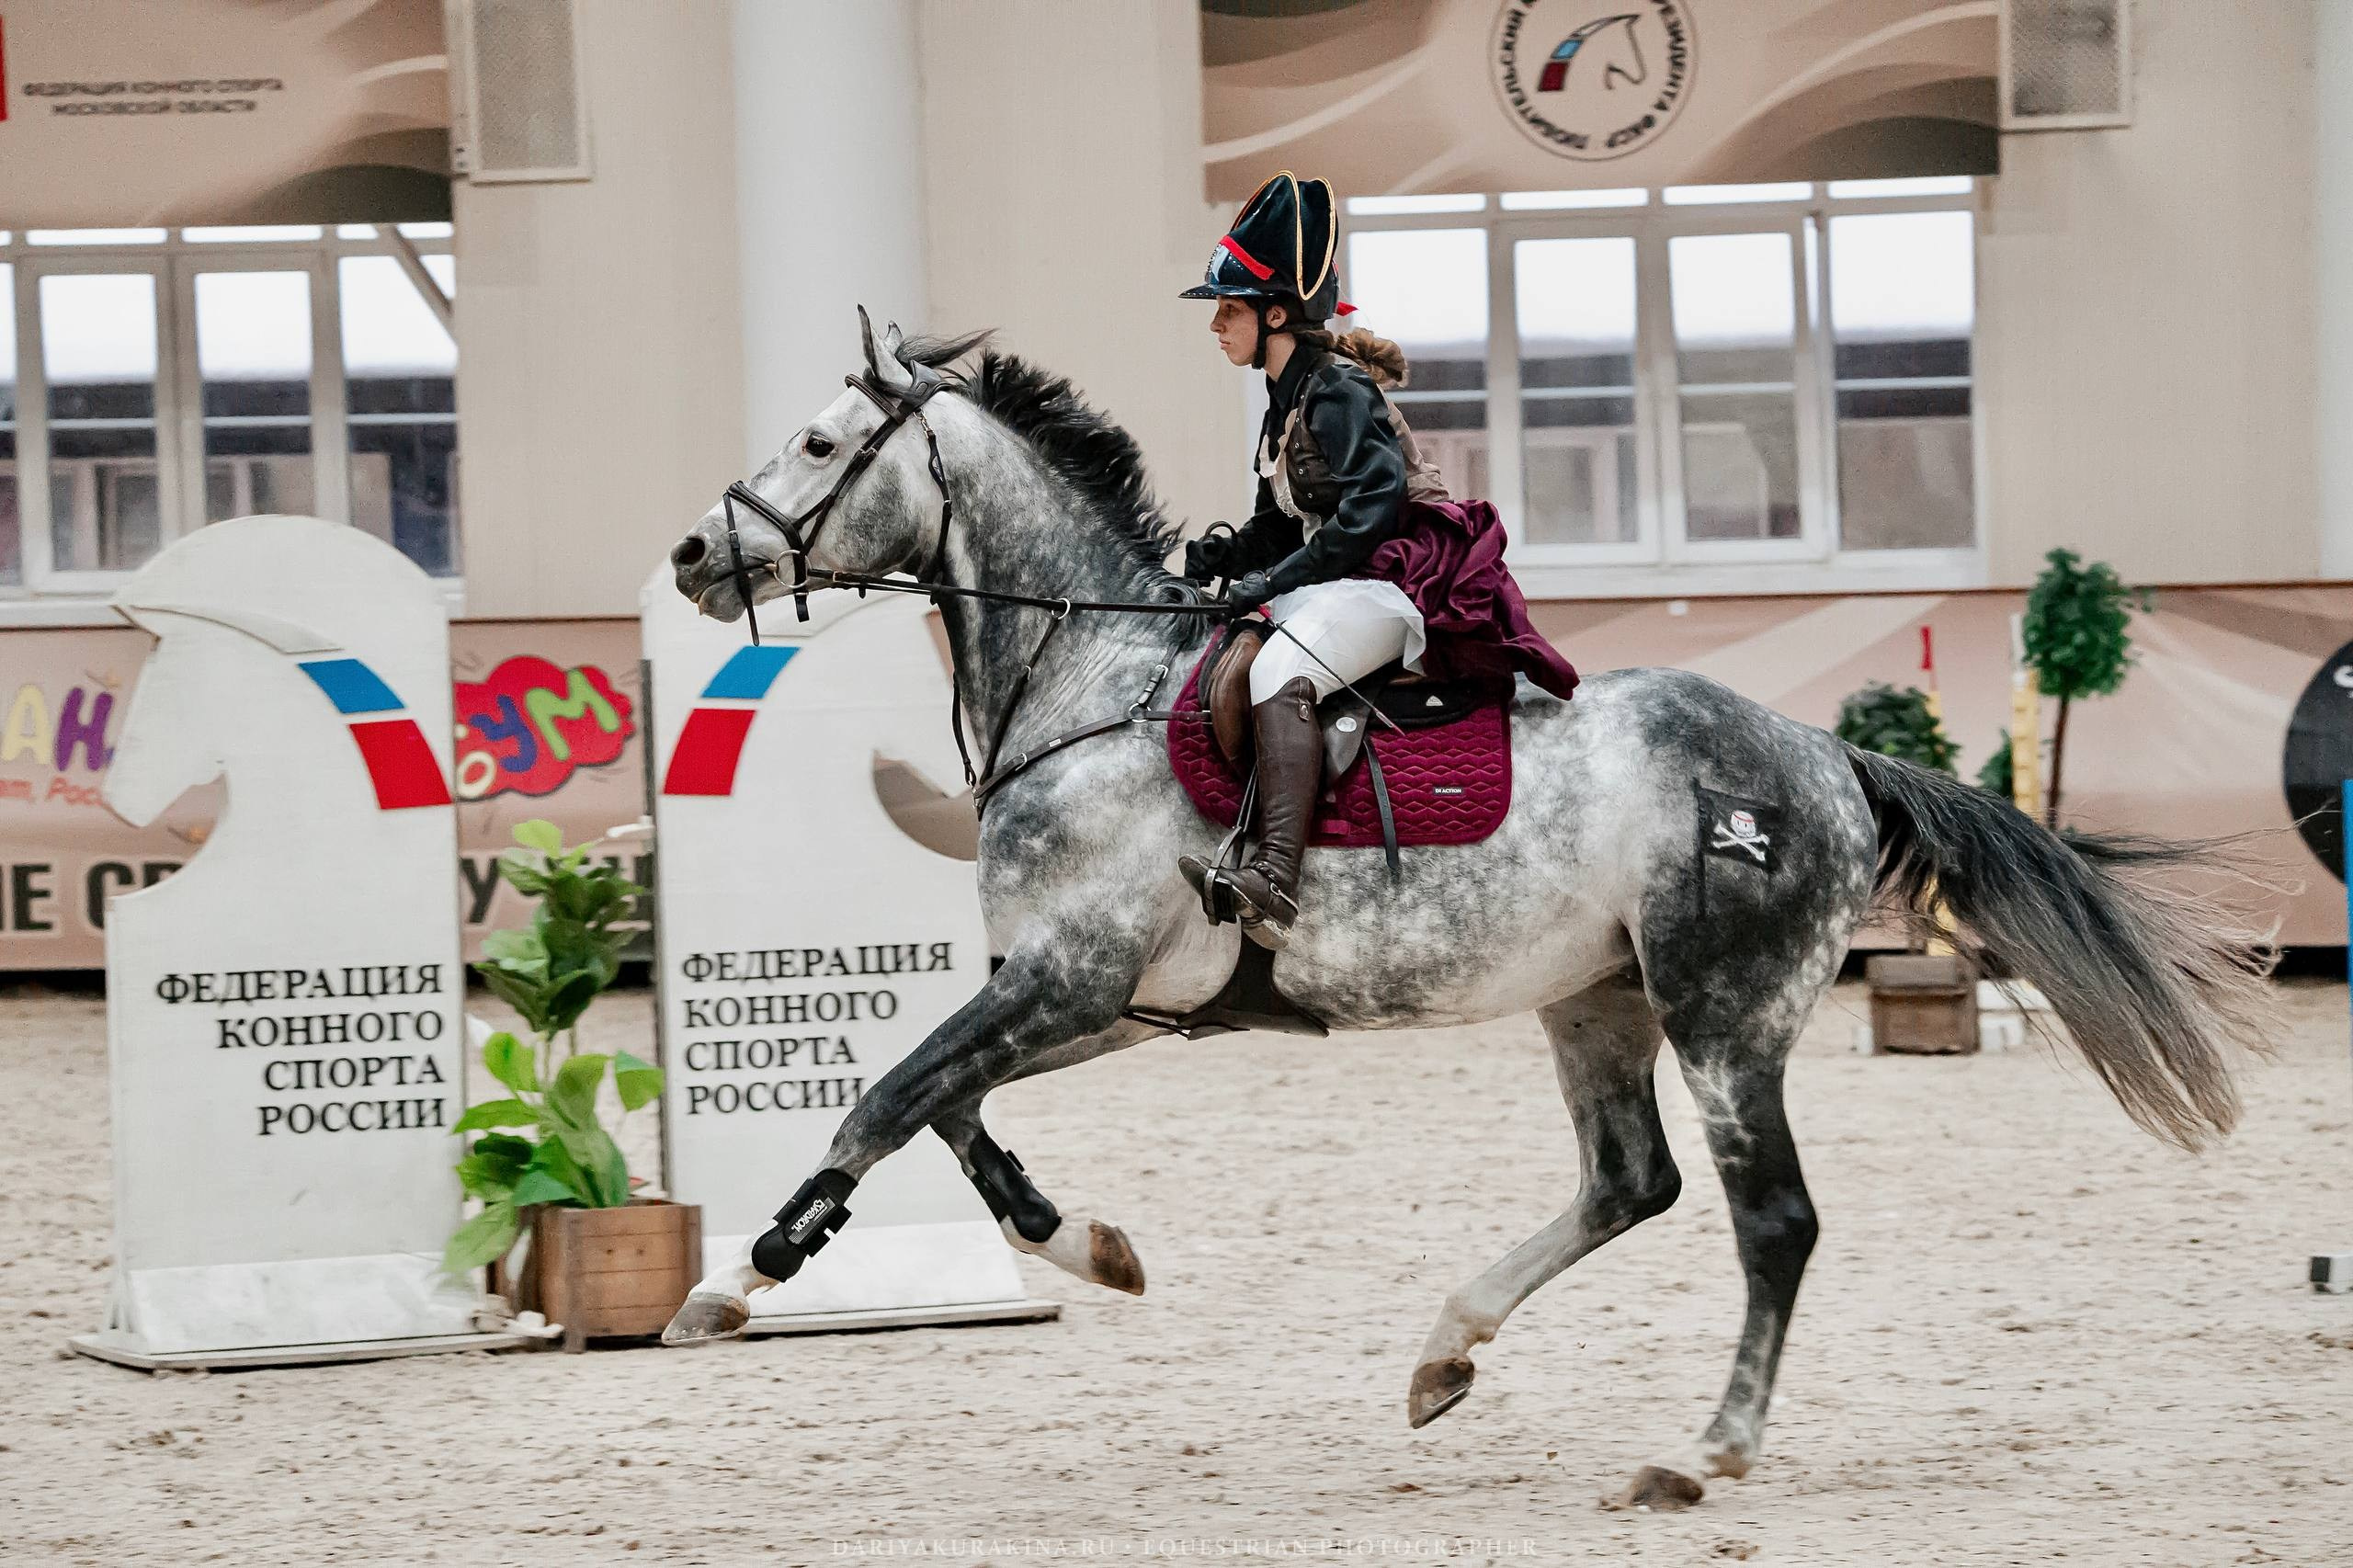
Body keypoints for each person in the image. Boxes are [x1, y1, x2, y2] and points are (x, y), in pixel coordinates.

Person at [1176, 170, 1582, 949]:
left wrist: (1270, 581)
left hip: (1394, 582)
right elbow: (1283, 523)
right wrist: (1223, 556)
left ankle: (1275, 879)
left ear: (1276, 313)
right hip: (1339, 579)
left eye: (1228, 309)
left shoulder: (1338, 392)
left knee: (1274, 674)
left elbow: (1365, 517)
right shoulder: (1284, 399)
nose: (1216, 324)